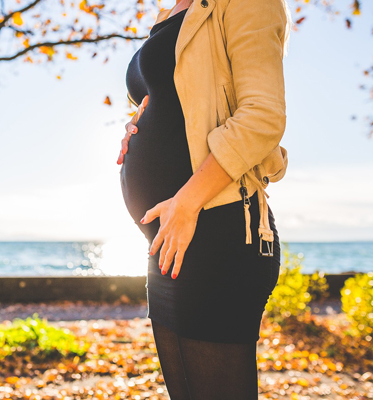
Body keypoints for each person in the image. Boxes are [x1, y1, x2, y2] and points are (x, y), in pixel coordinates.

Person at [117, 0, 292, 398]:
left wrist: (186, 202)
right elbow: (179, 102)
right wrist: (136, 124)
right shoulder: (170, 12)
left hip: (219, 229)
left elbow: (262, 115)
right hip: (167, 241)